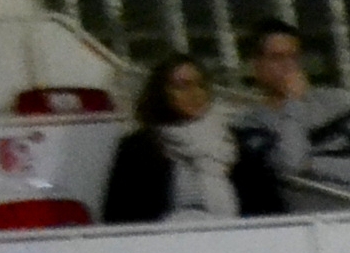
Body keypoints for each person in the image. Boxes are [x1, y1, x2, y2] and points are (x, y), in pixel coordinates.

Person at [98, 52, 279, 225]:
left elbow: (268, 207)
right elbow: (120, 216)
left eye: (200, 85)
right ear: (162, 93)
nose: (194, 93)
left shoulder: (237, 144)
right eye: (182, 86)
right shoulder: (138, 149)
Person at [236, 22, 350, 201]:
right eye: (277, 58)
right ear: (256, 65)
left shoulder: (337, 103)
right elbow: (290, 163)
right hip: (308, 220)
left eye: (293, 57)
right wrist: (294, 102)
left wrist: (310, 163)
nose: (288, 66)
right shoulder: (249, 124)